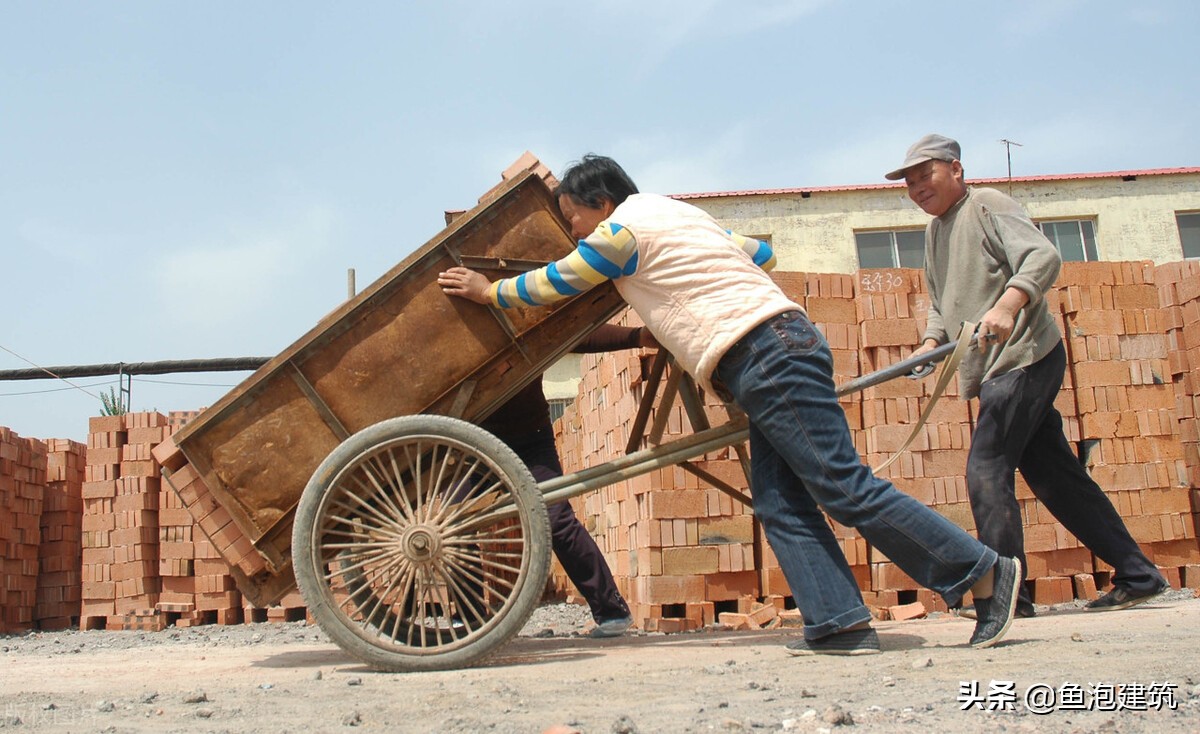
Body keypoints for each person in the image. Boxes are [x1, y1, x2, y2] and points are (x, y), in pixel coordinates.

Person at [439, 153, 1022, 655]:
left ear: (601, 201)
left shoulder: (621, 232)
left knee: (843, 485)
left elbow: (554, 282)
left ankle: (984, 573)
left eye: (573, 218)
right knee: (778, 501)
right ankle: (839, 624)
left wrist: (487, 291)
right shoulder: (683, 214)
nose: (575, 232)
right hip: (776, 348)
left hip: (763, 352)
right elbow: (762, 254)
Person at [888, 133, 1169, 617]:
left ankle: (1007, 595)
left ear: (955, 169)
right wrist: (931, 344)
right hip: (993, 366)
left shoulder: (988, 205)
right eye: (909, 182)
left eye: (924, 175)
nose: (917, 188)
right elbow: (942, 301)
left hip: (1024, 356)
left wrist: (1007, 304)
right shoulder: (935, 233)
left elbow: (1042, 257)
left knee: (987, 466)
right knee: (1056, 476)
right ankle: (1138, 574)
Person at [482, 325, 652, 637]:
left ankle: (612, 612)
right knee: (452, 525)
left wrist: (637, 337)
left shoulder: (519, 308)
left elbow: (576, 333)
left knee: (557, 519)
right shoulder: (455, 318)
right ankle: (469, 625)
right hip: (471, 441)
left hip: (529, 436)